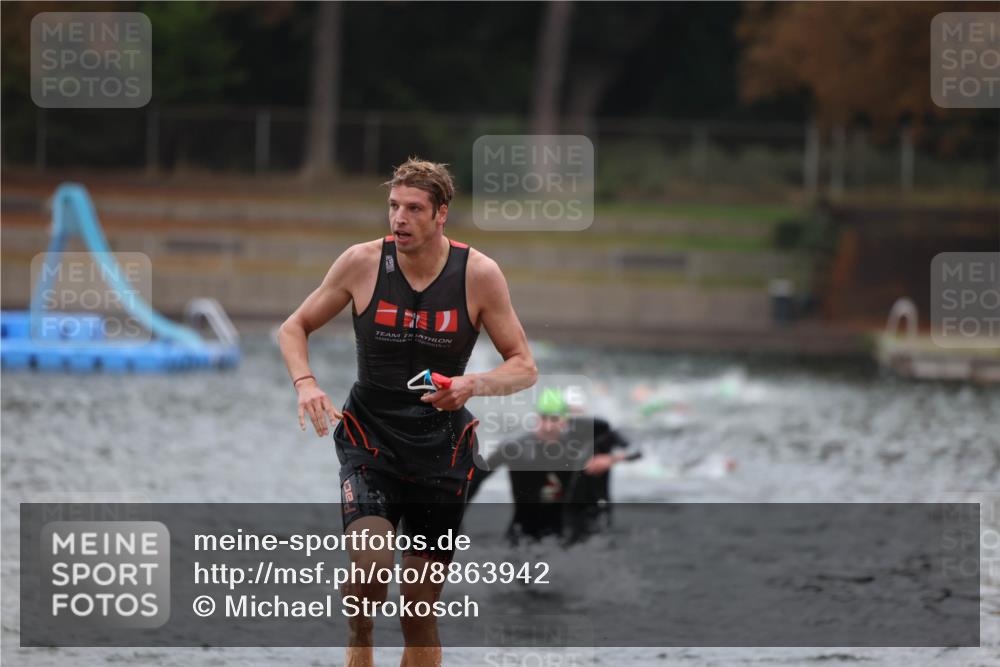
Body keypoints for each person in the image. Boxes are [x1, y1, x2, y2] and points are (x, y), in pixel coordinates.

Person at [278, 158, 537, 667]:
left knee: (418, 610)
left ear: (441, 214)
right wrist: (305, 383)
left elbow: (524, 367)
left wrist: (472, 384)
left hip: (442, 450)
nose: (399, 218)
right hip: (370, 439)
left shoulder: (479, 275)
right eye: (394, 206)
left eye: (414, 209)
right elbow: (294, 327)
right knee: (370, 576)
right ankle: (359, 638)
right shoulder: (361, 263)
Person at [468, 388, 639, 545]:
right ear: (536, 419)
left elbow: (623, 440)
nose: (549, 426)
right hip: (522, 528)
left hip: (561, 530)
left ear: (565, 421)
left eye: (555, 419)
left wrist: (610, 458)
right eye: (544, 419)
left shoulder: (574, 442)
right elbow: (476, 478)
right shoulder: (514, 447)